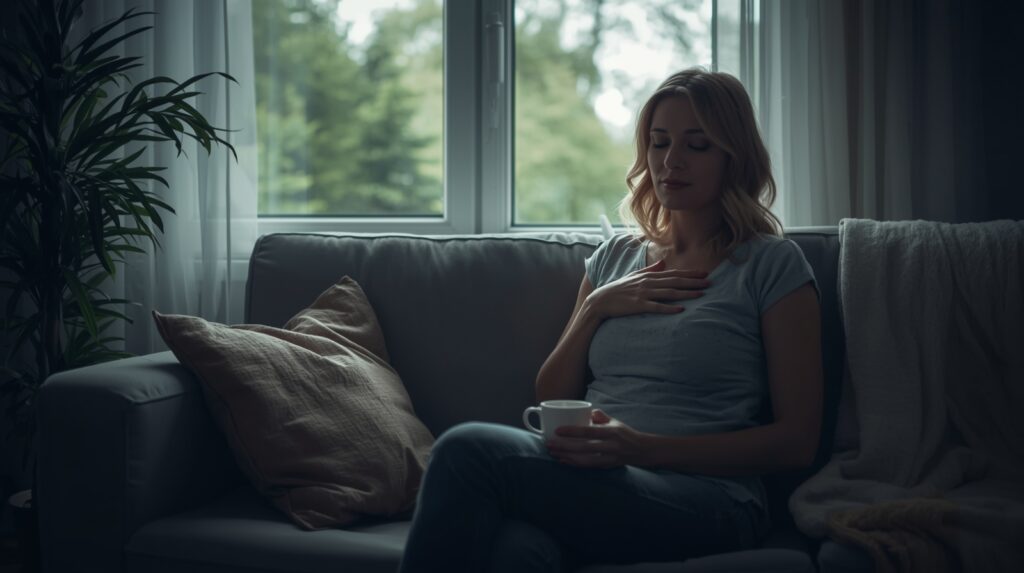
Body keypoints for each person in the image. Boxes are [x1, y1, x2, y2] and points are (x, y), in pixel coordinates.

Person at [398, 67, 823, 572]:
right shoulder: (614, 258)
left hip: (710, 498)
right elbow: (551, 391)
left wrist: (644, 448)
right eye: (659, 143)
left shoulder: (772, 264)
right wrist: (596, 305)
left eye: (697, 145)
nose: (671, 161)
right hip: (600, 484)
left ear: (735, 156)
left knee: (466, 449)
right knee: (514, 549)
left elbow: (797, 442)